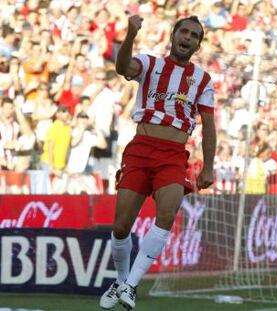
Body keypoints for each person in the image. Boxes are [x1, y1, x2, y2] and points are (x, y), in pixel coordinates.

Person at [99, 15, 216, 310]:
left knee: (167, 212)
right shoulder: (150, 64)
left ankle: (132, 285)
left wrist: (209, 166)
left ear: (197, 45)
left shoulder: (202, 79)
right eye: (184, 32)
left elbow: (210, 125)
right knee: (121, 224)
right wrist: (129, 34)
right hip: (140, 149)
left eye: (194, 35)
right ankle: (122, 282)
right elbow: (123, 67)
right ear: (173, 35)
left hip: (173, 154)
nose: (187, 38)